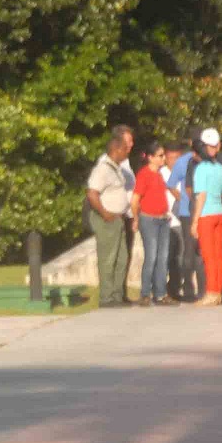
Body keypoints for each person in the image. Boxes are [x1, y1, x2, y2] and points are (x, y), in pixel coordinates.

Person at [86, 125, 137, 308]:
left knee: (121, 258)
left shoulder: (117, 168)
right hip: (107, 219)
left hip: (119, 218)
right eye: (125, 148)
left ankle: (118, 295)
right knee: (108, 259)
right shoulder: (103, 168)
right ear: (116, 149)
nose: (127, 152)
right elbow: (92, 193)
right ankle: (106, 297)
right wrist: (104, 212)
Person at [188, 128, 222, 305]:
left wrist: (194, 221)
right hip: (219, 212)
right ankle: (217, 293)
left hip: (206, 214)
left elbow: (201, 196)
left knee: (208, 256)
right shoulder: (220, 168)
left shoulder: (201, 169)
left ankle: (211, 293)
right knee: (219, 255)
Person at [132, 140, 175, 306]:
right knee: (151, 256)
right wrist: (136, 219)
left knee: (162, 257)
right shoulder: (144, 174)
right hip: (149, 219)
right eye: (160, 156)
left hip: (163, 219)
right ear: (150, 157)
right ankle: (145, 293)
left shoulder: (159, 175)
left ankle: (160, 293)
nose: (163, 159)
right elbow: (135, 199)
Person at [167, 140, 201, 302]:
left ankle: (196, 288)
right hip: (190, 211)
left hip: (196, 211)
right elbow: (171, 185)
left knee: (193, 249)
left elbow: (171, 185)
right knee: (192, 250)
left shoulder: (184, 160)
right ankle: (191, 288)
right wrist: (184, 200)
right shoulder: (184, 160)